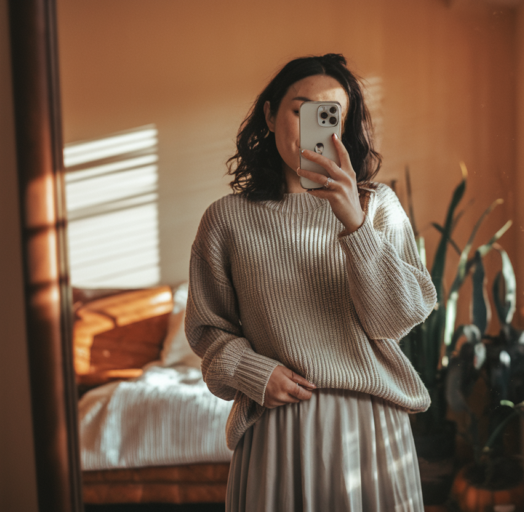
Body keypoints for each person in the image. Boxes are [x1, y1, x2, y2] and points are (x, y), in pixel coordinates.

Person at [185, 53, 437, 512]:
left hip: (372, 428)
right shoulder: (226, 220)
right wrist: (254, 372)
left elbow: (395, 319)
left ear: (344, 125)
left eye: (328, 115)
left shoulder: (377, 206)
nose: (312, 129)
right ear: (269, 115)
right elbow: (207, 331)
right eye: (301, 110)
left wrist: (355, 222)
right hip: (276, 429)